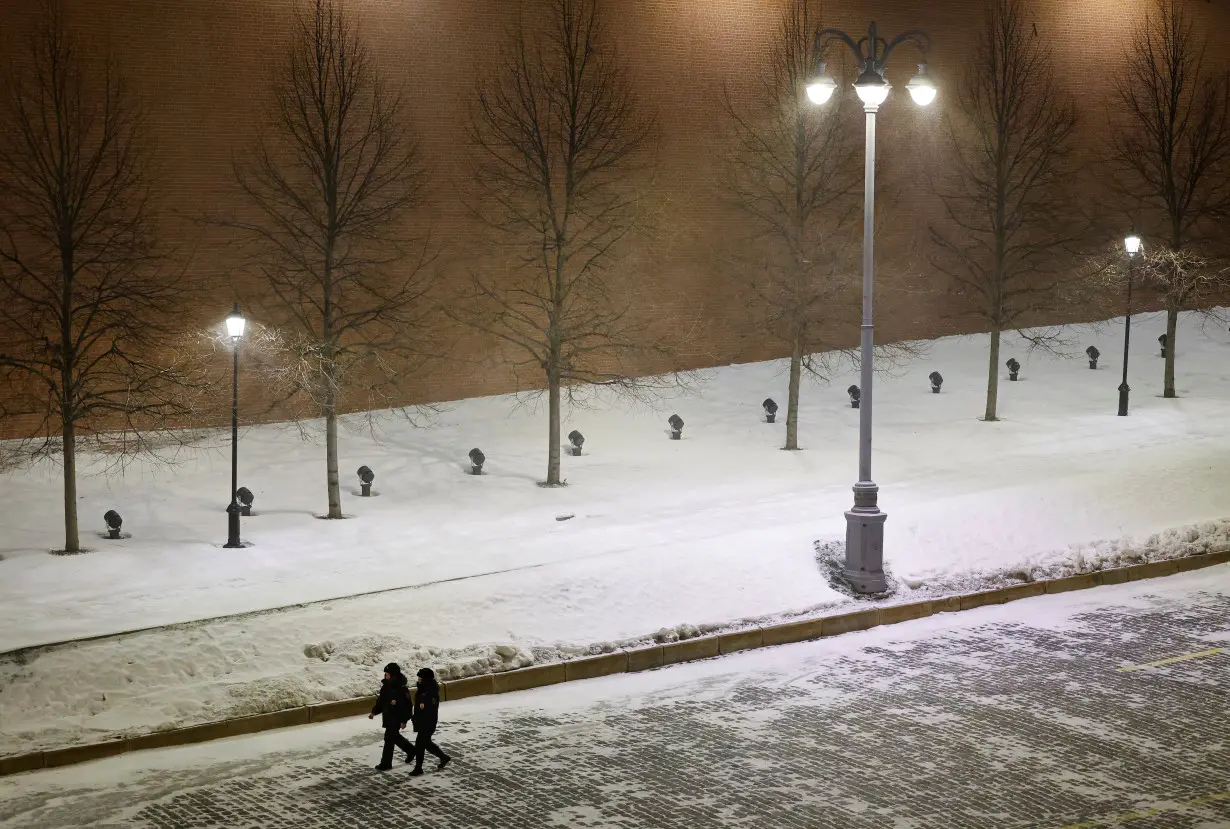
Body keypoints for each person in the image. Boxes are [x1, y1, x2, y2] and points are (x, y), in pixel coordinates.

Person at [368, 662, 413, 771]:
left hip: (396, 717)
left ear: (393, 675)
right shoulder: (386, 686)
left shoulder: (400, 688)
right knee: (394, 737)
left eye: (387, 674)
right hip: (388, 716)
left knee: (389, 739)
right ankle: (411, 750)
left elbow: (407, 705)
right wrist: (374, 712)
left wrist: (404, 720)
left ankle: (386, 764)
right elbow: (382, 701)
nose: (385, 676)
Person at [409, 667, 451, 776]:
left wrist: (424, 706)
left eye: (420, 678)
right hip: (422, 721)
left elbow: (431, 709)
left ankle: (418, 768)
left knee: (420, 745)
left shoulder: (431, 692)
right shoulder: (423, 689)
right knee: (426, 743)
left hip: (427, 723)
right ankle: (444, 757)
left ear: (425, 679)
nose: (418, 680)